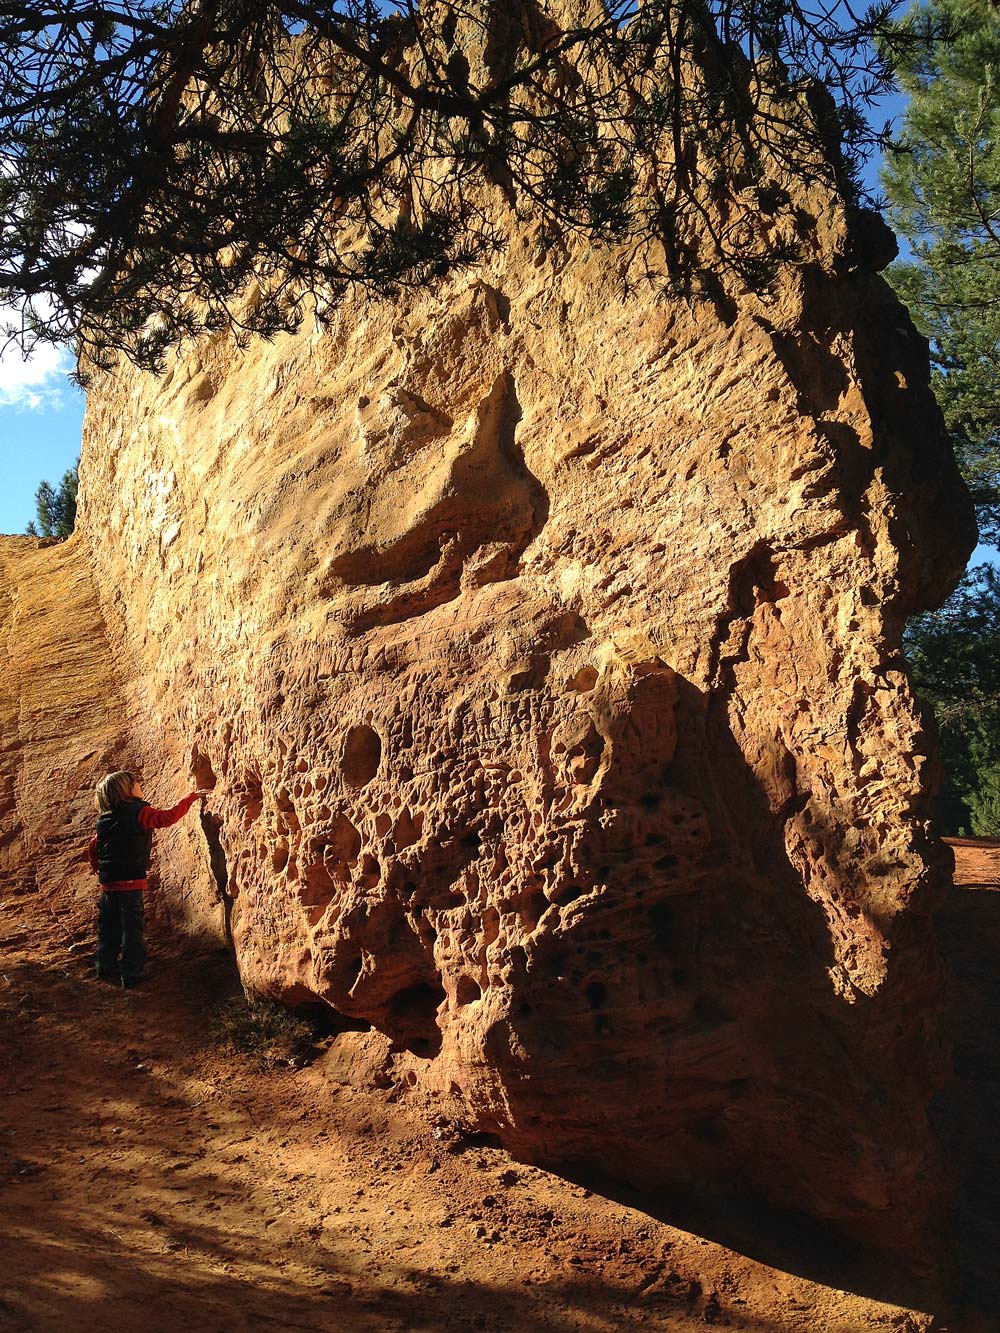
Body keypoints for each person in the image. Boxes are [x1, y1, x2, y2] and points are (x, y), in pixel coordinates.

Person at [87, 770, 211, 987]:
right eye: (136, 783)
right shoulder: (140, 812)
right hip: (130, 883)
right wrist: (191, 798)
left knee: (109, 928)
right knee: (132, 930)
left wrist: (96, 866)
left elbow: (93, 845)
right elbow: (167, 818)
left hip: (108, 885)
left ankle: (104, 967)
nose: (140, 785)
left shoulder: (104, 820)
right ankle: (131, 974)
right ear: (126, 790)